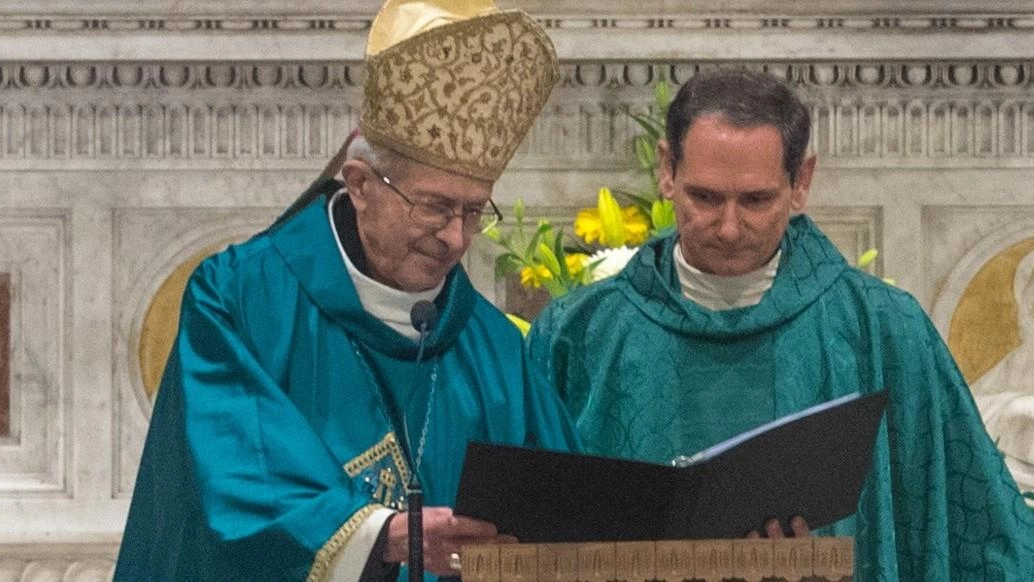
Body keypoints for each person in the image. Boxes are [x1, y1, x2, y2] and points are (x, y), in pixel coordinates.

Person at [114, 1, 578, 580]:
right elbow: (234, 475)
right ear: (361, 185)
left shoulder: (491, 346)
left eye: (473, 210)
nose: (455, 238)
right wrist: (382, 536)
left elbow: (565, 514)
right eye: (434, 207)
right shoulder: (239, 299)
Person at [528, 69, 1034, 580]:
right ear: (667, 170)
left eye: (755, 200)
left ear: (802, 182)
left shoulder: (885, 331)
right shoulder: (579, 334)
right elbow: (515, 537)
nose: (728, 228)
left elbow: (986, 537)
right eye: (704, 197)